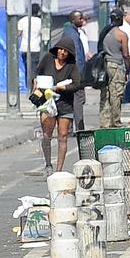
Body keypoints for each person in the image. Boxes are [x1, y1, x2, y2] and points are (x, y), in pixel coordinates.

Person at [31, 34, 83, 175]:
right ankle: (48, 164)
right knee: (47, 135)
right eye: (60, 50)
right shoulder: (48, 59)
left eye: (65, 51)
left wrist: (61, 88)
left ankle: (59, 170)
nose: (62, 53)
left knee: (63, 135)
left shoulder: (71, 66)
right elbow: (37, 73)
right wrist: (35, 85)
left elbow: (77, 84)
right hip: (47, 103)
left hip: (65, 103)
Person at [99, 8, 130, 128]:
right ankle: (116, 121)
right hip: (116, 65)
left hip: (104, 65)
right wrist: (128, 69)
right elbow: (126, 55)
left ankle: (104, 122)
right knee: (116, 94)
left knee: (105, 94)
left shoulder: (104, 33)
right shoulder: (122, 35)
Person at [61, 10, 90, 131]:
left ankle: (69, 127)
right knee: (78, 99)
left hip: (70, 70)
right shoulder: (72, 34)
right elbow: (77, 56)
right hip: (75, 71)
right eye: (80, 18)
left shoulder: (71, 32)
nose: (82, 20)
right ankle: (79, 127)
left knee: (71, 98)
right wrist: (79, 75)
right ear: (73, 20)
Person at [18, 5, 43, 79]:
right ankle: (33, 86)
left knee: (27, 69)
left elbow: (18, 34)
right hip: (36, 48)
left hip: (24, 48)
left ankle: (28, 86)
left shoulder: (22, 20)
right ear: (38, 11)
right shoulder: (40, 21)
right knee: (34, 69)